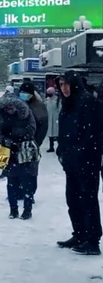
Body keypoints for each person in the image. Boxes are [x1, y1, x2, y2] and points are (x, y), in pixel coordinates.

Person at [55, 70, 103, 255]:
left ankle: (92, 240)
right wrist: (62, 151)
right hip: (71, 163)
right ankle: (80, 233)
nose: (63, 88)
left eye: (66, 84)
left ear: (74, 84)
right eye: (60, 85)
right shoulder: (68, 103)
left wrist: (78, 152)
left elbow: (93, 134)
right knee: (73, 199)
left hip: (87, 162)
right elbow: (65, 131)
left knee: (88, 200)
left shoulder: (88, 103)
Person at [0, 94, 37, 219]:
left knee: (26, 182)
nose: (9, 110)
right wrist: (6, 140)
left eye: (11, 107)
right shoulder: (2, 118)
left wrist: (14, 134)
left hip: (25, 152)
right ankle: (13, 210)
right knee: (11, 182)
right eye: (7, 107)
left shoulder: (26, 115)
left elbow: (31, 130)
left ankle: (27, 210)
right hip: (9, 153)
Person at [18, 81, 48, 203]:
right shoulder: (19, 104)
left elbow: (43, 126)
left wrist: (36, 142)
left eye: (25, 92)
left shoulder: (38, 106)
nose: (23, 94)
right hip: (18, 143)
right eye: (21, 92)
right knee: (18, 169)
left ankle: (30, 192)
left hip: (32, 144)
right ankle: (19, 191)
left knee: (31, 170)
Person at [45, 87, 60, 153]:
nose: (48, 94)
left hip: (56, 119)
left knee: (58, 134)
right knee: (50, 134)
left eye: (50, 92)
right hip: (49, 119)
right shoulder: (47, 100)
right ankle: (51, 147)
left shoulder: (58, 100)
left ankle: (60, 147)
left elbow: (60, 109)